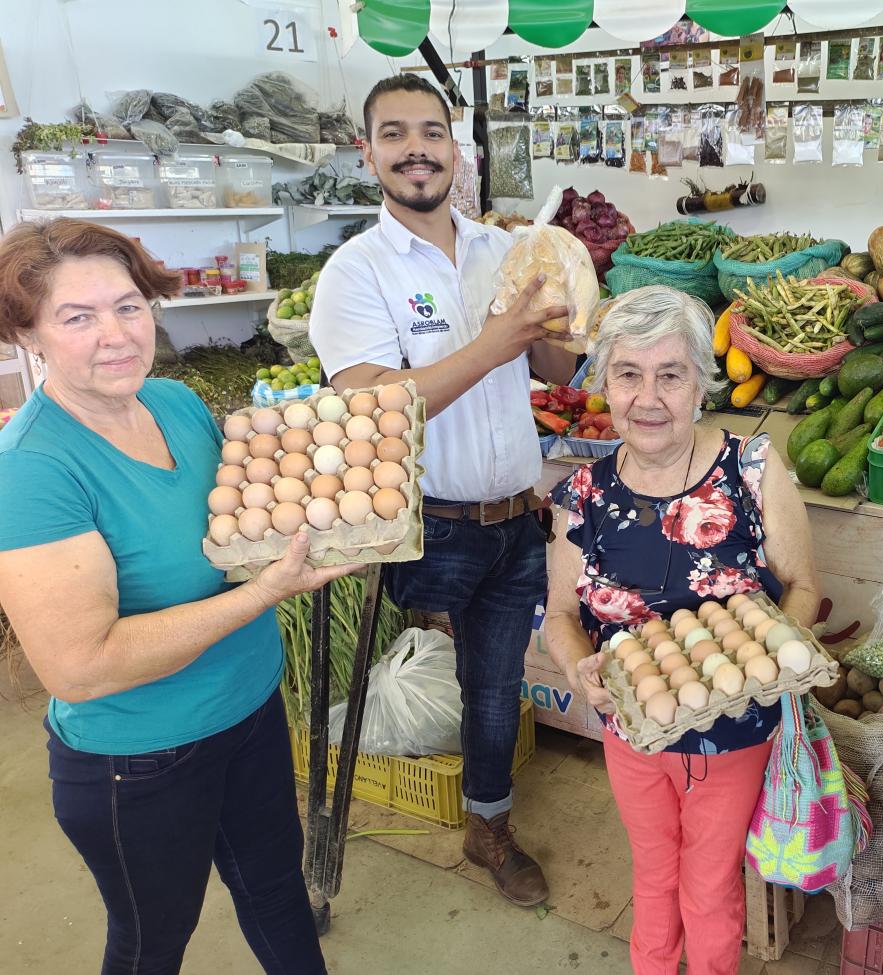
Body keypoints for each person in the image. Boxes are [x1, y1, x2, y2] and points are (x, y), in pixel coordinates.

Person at [0, 219, 356, 974]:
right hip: (139, 761)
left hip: (251, 711)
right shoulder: (30, 471)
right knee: (153, 940)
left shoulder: (175, 403)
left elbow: (240, 534)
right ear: (27, 333)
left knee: (277, 892)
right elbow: (79, 667)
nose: (116, 334)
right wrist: (266, 591)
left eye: (129, 305)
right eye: (77, 316)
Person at [308, 74, 575, 908]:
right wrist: (497, 340)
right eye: (395, 134)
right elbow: (375, 402)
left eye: (432, 131)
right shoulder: (355, 272)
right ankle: (328, 826)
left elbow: (557, 371)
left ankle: (487, 825)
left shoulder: (505, 251)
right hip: (428, 526)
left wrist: (567, 306)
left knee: (495, 684)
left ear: (457, 151)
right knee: (412, 664)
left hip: (513, 516)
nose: (417, 148)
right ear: (369, 153)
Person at [543, 286, 820, 975]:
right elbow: (558, 615)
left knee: (709, 884)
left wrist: (775, 650)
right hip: (633, 731)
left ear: (702, 382)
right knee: (653, 874)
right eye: (628, 373)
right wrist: (579, 666)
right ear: (604, 381)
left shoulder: (752, 470)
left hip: (735, 733)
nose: (649, 396)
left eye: (671, 373)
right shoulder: (584, 495)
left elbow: (807, 586)